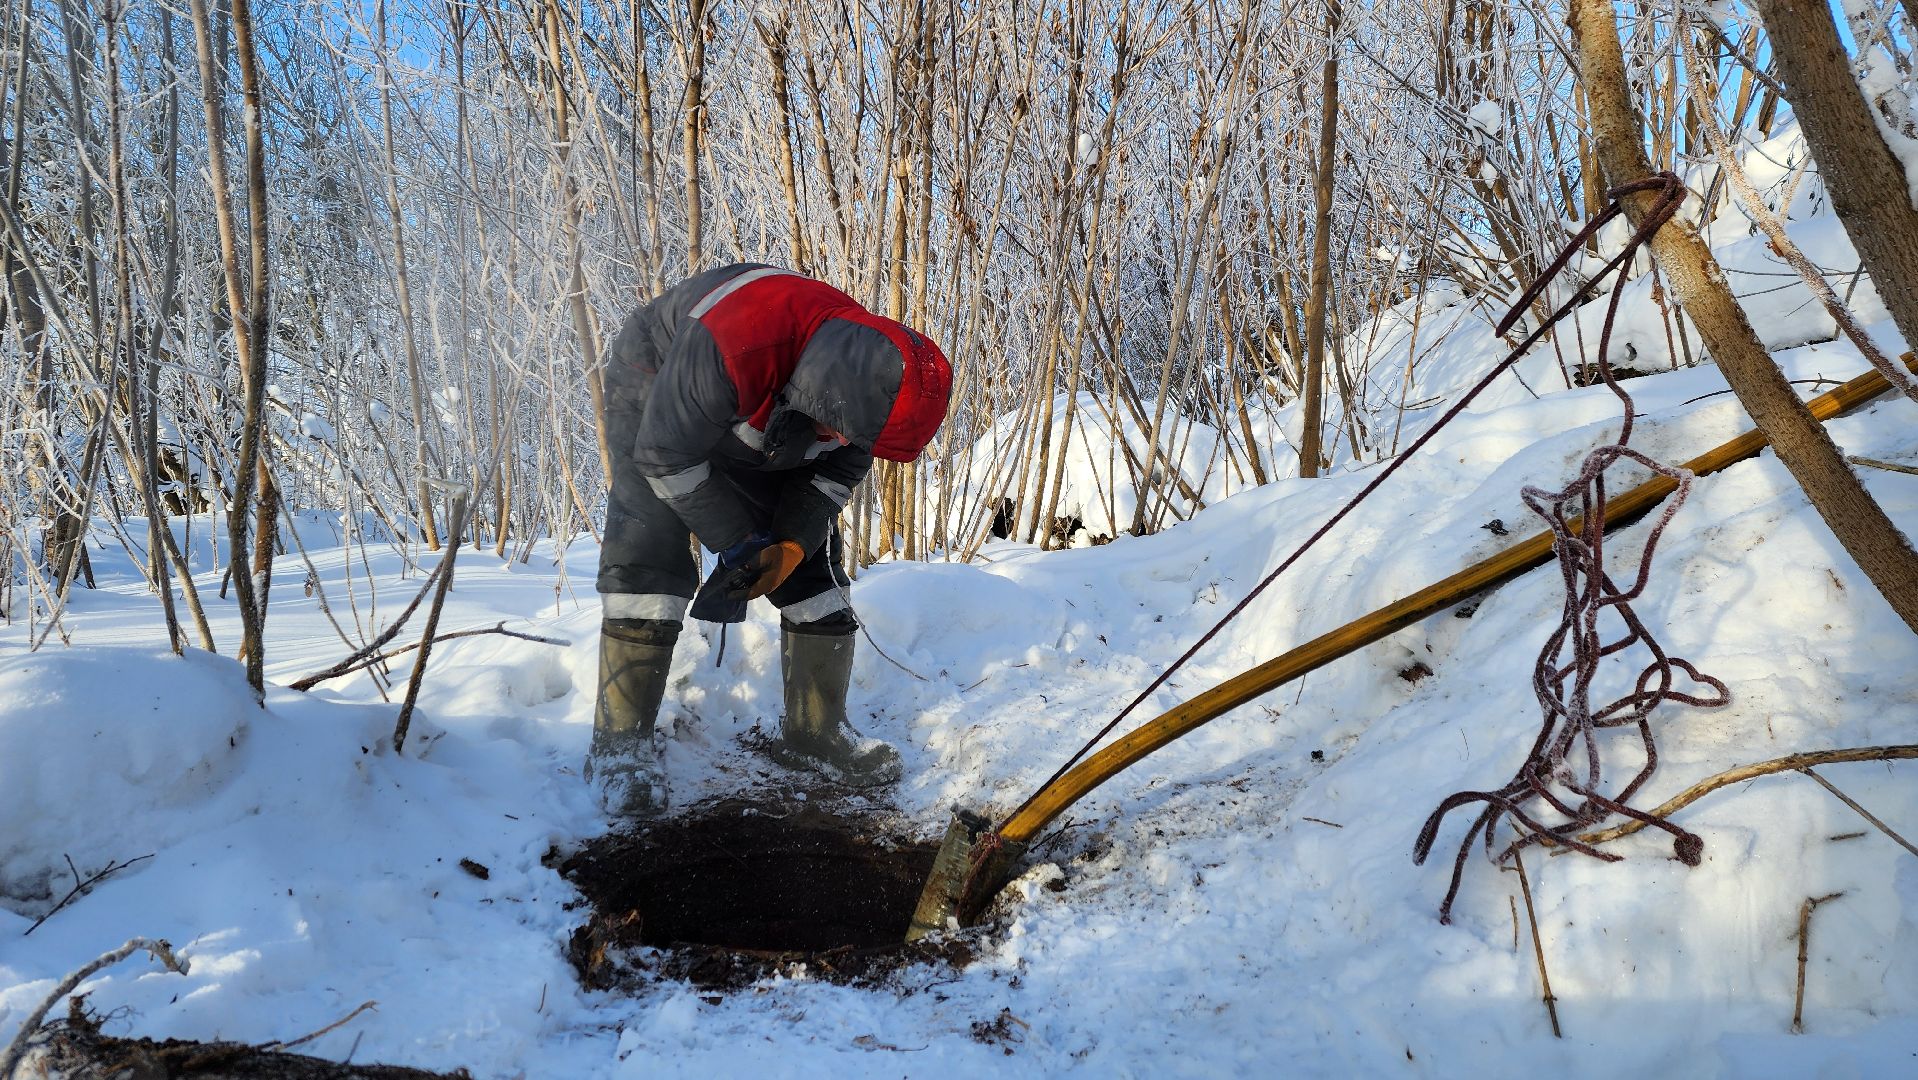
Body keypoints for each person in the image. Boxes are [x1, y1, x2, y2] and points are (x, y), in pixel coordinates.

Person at [588, 264, 953, 817]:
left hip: (768, 409)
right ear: (829, 394)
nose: (842, 441)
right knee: (649, 541)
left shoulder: (863, 398)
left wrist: (789, 546)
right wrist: (739, 542)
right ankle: (620, 744)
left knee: (810, 562)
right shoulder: (733, 343)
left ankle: (815, 735)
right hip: (660, 378)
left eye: (850, 436)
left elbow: (830, 479)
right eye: (839, 430)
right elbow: (665, 457)